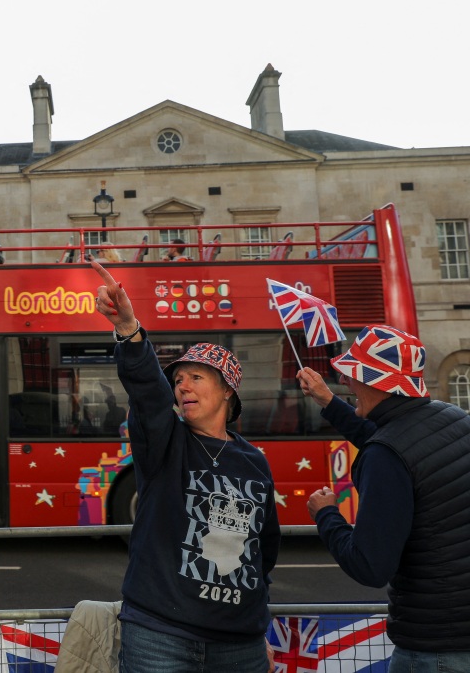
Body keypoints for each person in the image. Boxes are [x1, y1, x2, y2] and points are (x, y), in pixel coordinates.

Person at [90, 259, 280, 673]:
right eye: (179, 379)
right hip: (160, 638)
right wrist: (128, 329)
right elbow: (149, 393)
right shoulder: (164, 442)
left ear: (227, 390)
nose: (183, 386)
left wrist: (260, 630)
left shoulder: (254, 462)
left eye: (197, 377)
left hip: (238, 646)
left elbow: (261, 554)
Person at [298, 325, 470, 670]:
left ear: (376, 381)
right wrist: (328, 402)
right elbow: (395, 440)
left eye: (351, 374)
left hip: (434, 647)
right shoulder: (454, 418)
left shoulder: (386, 454)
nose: (345, 382)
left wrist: (327, 514)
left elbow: (370, 566)